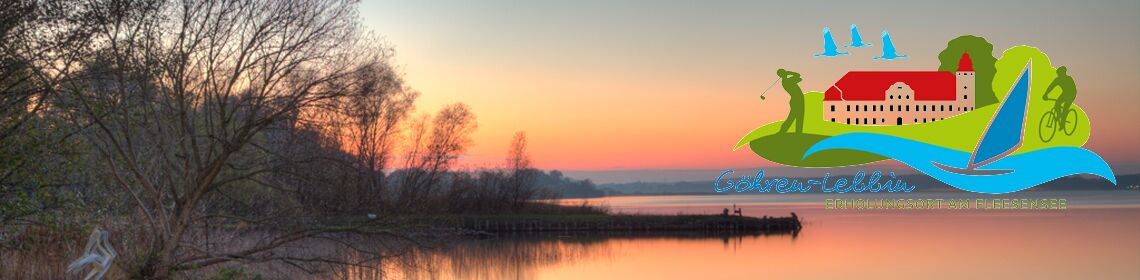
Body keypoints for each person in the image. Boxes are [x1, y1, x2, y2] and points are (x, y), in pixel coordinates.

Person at [777, 69, 805, 134]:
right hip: (797, 100)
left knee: (798, 116)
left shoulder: (786, 81)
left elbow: (799, 78)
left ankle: (798, 132)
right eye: (784, 72)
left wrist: (788, 74)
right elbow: (798, 76)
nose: (785, 72)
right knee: (794, 117)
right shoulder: (787, 81)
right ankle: (783, 131)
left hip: (798, 99)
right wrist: (790, 72)